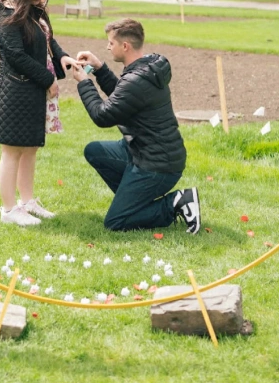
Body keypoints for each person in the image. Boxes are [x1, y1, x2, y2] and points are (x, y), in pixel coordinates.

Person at [71, 18, 201, 234]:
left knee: (116, 222)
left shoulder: (137, 79)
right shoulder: (147, 68)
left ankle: (177, 202)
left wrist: (84, 83)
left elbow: (102, 116)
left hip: (157, 164)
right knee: (94, 151)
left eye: (111, 43)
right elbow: (122, 97)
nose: (107, 47)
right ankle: (133, 201)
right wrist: (100, 68)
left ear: (125, 46)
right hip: (143, 151)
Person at [0, 0, 78, 226]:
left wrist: (61, 57)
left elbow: (46, 38)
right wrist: (48, 79)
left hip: (32, 89)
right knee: (12, 150)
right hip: (16, 89)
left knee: (30, 148)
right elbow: (15, 55)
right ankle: (8, 210)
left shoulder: (31, 9)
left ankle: (26, 202)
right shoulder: (7, 13)